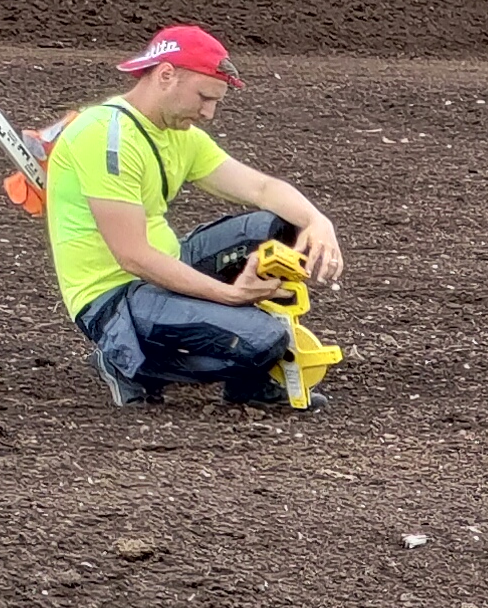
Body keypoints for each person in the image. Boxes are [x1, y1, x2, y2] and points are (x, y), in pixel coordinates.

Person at [42, 25, 346, 410]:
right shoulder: (107, 137)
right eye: (204, 97)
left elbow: (262, 190)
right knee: (266, 339)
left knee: (278, 227)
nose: (209, 112)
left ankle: (249, 382)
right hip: (115, 299)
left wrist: (318, 220)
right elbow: (132, 256)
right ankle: (126, 360)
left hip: (166, 266)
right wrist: (230, 296)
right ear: (166, 75)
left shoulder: (178, 135)